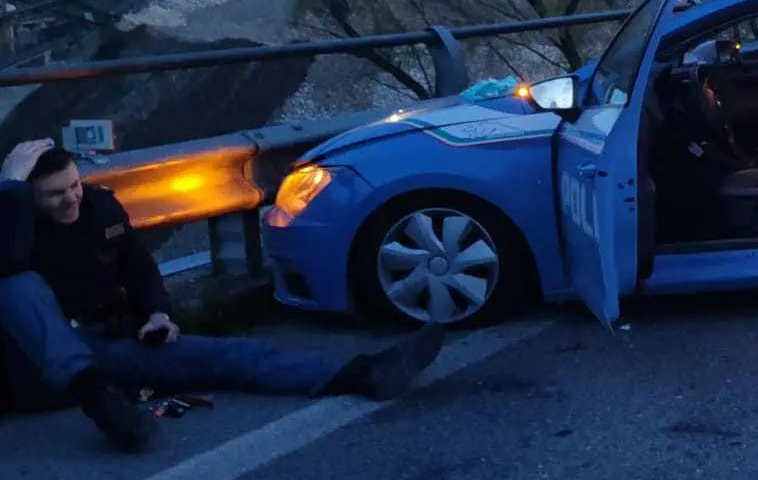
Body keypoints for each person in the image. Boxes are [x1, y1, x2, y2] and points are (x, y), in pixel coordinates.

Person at [0, 141, 446, 453]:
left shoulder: (98, 206)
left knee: (226, 355)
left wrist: (156, 313)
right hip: (44, 363)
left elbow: (137, 266)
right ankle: (103, 403)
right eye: (54, 195)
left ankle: (361, 374)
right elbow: (10, 261)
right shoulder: (15, 229)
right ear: (27, 198)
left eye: (74, 186)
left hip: (109, 343)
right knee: (17, 284)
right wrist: (11, 189)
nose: (70, 200)